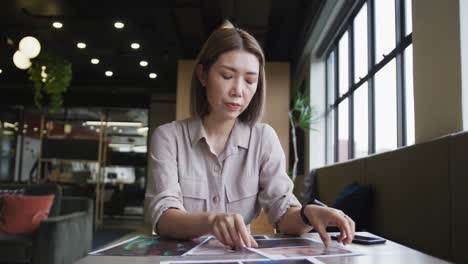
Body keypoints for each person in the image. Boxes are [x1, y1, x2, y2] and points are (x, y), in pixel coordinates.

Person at [145, 21, 355, 249]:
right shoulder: (168, 137)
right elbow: (163, 217)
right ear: (203, 74)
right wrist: (211, 221)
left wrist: (308, 213)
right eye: (227, 76)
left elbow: (283, 212)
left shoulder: (264, 138)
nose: (238, 91)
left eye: (249, 80)